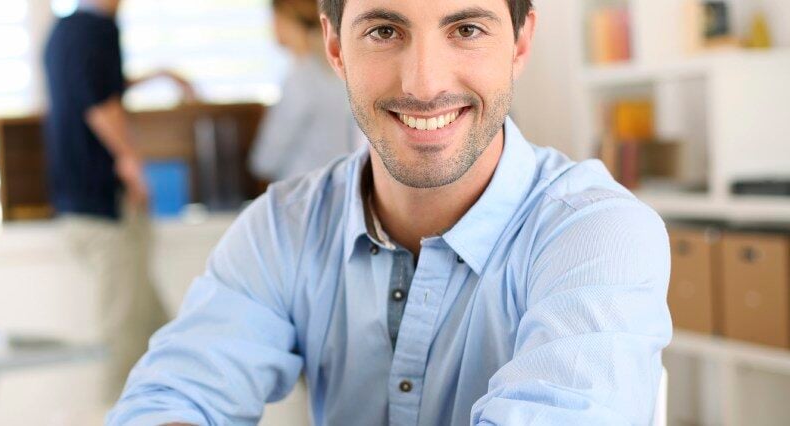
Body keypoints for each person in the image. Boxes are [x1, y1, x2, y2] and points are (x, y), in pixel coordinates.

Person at [107, 0, 672, 424]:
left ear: (520, 45)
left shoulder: (597, 234)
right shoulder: (283, 226)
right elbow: (172, 397)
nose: (424, 84)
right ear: (335, 48)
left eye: (466, 30)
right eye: (383, 31)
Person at [42, 0, 194, 404]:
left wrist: (157, 76)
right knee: (127, 335)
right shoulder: (97, 29)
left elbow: (95, 87)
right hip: (106, 210)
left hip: (76, 207)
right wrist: (131, 160)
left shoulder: (64, 32)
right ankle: (117, 414)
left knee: (155, 330)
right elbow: (99, 104)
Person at [249, 0, 362, 182]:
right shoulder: (339, 67)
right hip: (342, 183)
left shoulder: (301, 77)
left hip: (301, 188)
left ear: (288, 20)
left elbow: (267, 159)